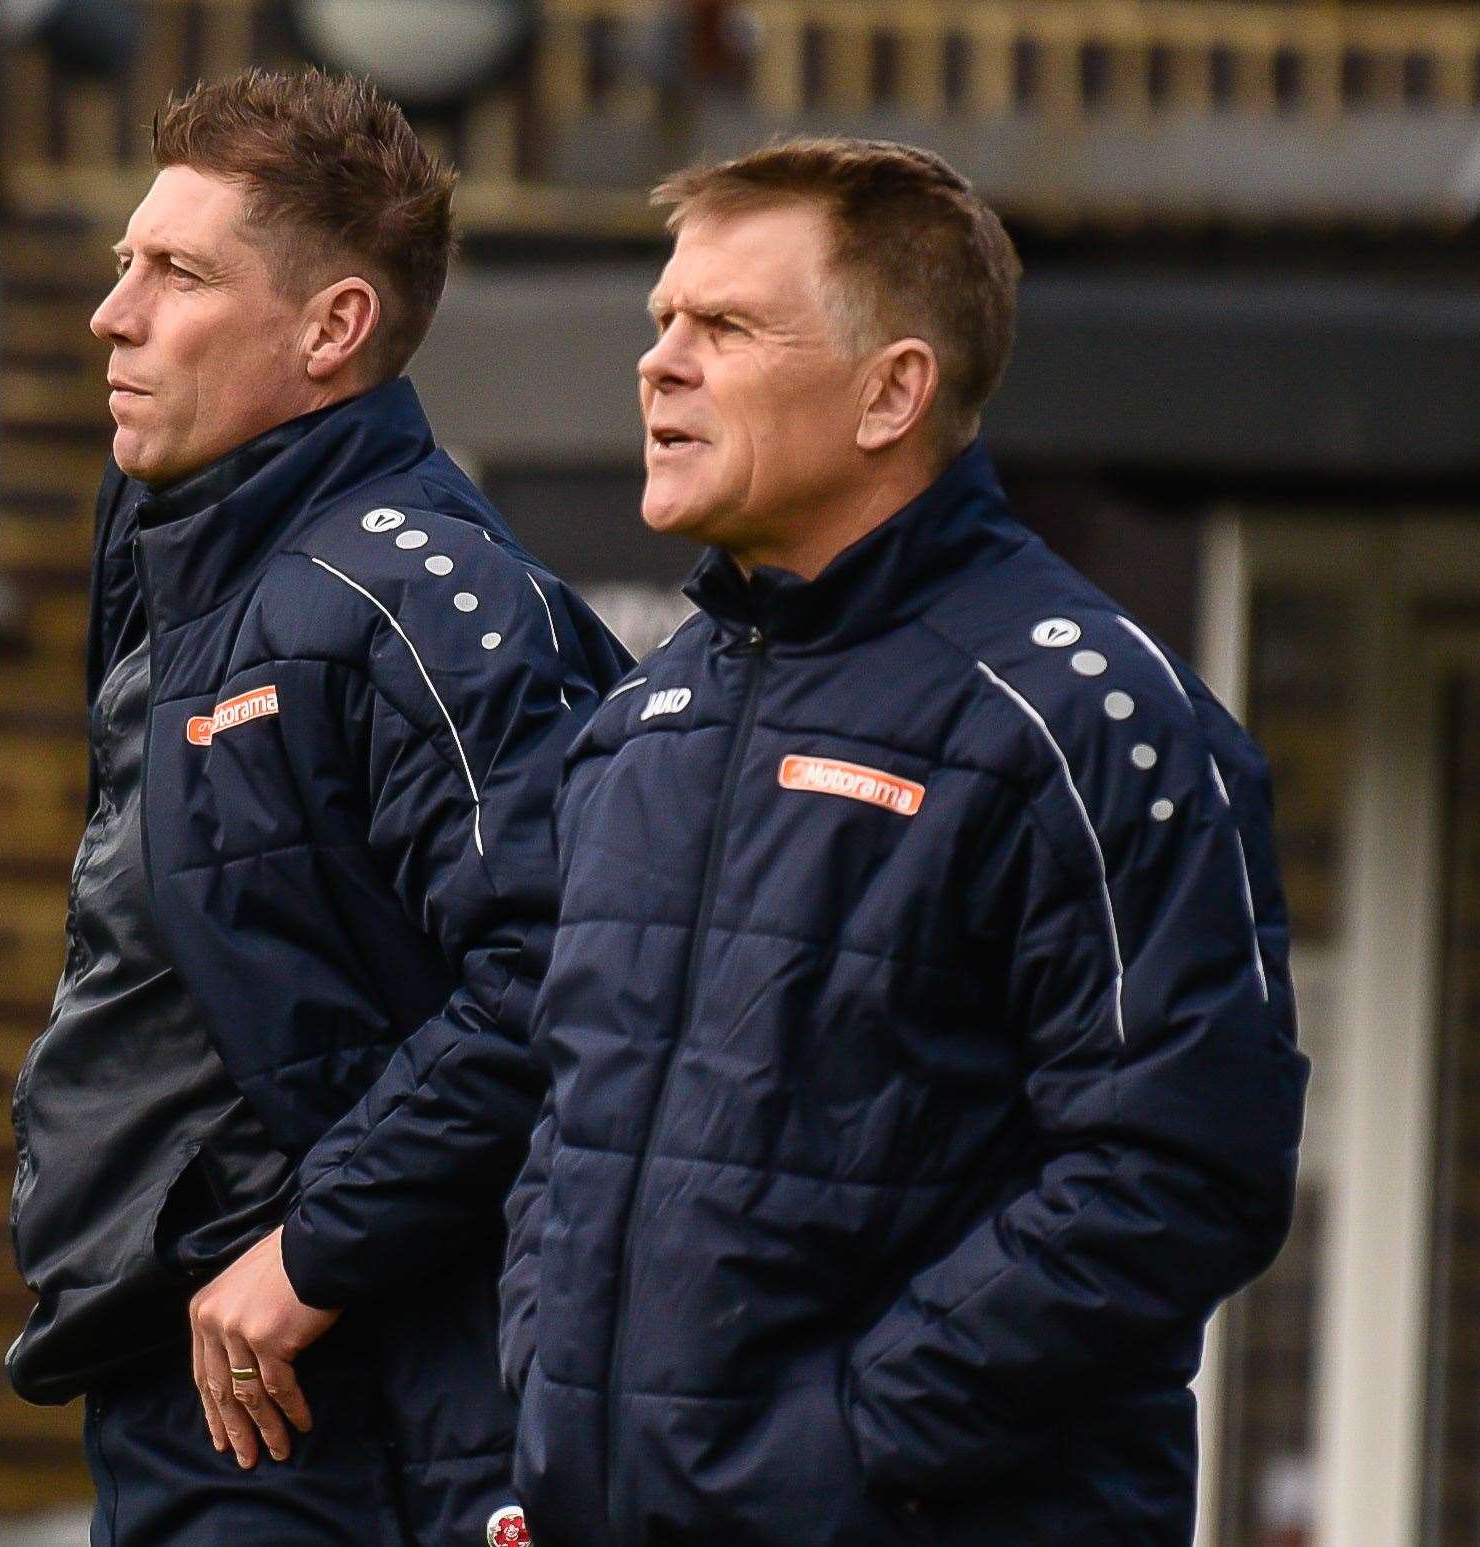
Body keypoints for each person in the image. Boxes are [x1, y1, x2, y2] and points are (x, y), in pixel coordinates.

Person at [500, 138, 1310, 1545]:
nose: (658, 366)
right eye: (660, 324)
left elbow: (1175, 1172)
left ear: (893, 392)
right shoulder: (642, 723)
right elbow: (559, 1124)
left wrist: (844, 1453)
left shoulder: (1087, 718)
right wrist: (550, 1425)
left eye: (725, 327)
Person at [6, 66, 628, 1545]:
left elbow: (564, 967)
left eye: (177, 273)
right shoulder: (189, 555)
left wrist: (313, 1252)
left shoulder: (415, 594)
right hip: (189, 1375)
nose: (115, 313)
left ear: (332, 328)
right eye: (123, 264)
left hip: (332, 1407)